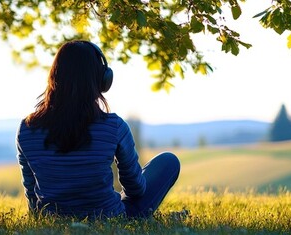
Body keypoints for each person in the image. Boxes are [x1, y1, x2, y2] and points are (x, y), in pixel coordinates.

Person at [16, 40, 180, 219]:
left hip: (53, 218)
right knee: (168, 162)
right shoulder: (114, 126)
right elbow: (136, 189)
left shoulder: (26, 129)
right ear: (102, 79)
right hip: (109, 217)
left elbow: (32, 195)